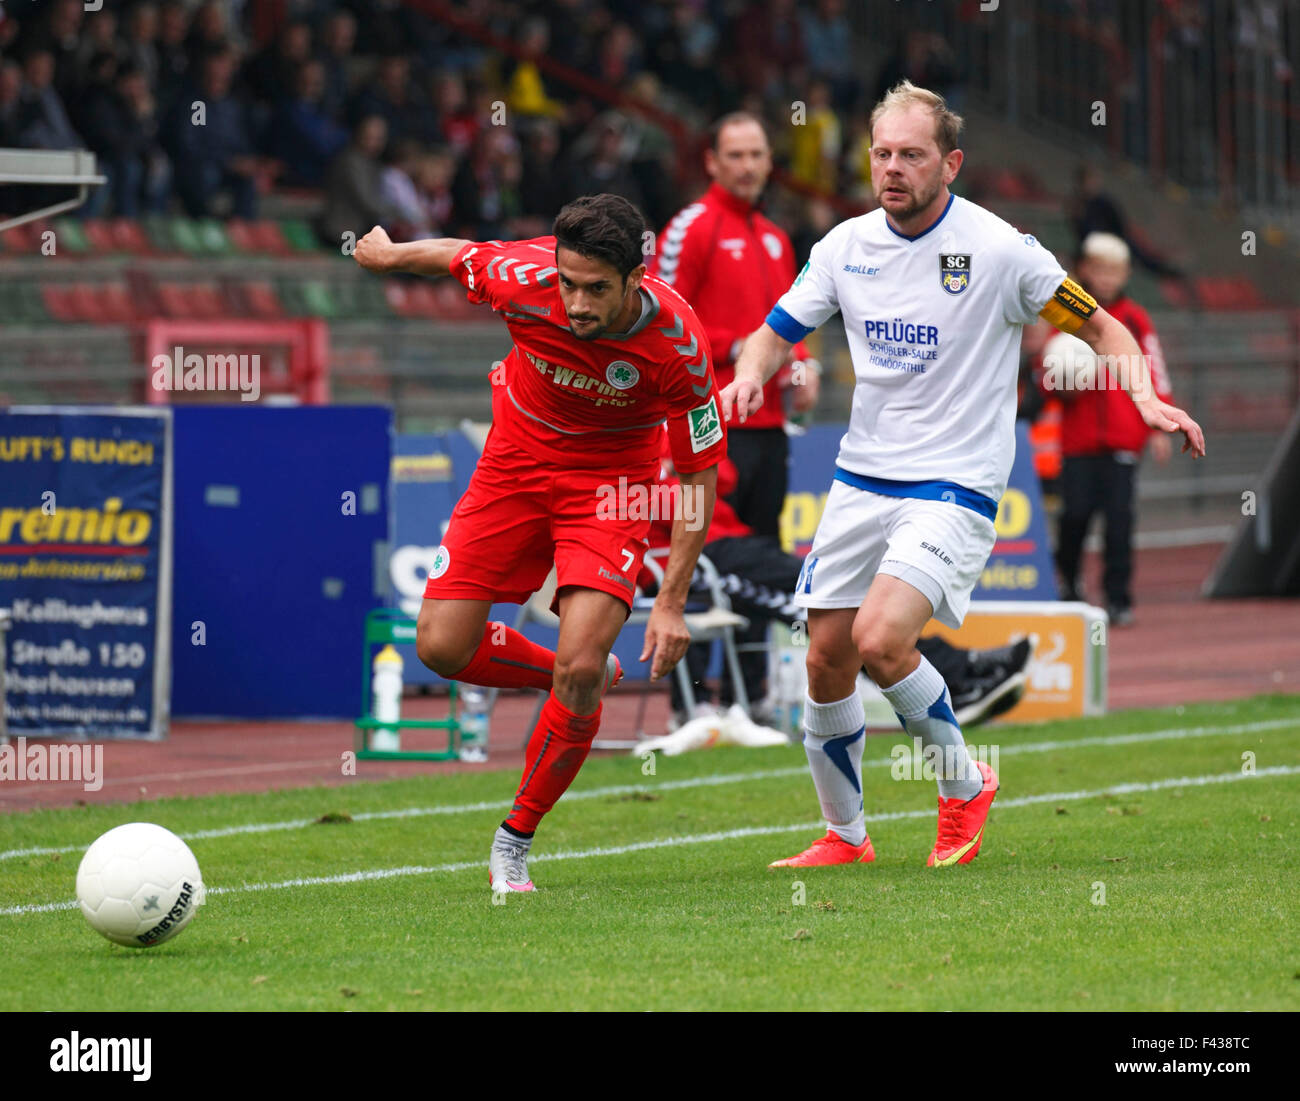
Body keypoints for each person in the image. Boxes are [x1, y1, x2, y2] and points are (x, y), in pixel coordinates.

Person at [721, 81, 1205, 870]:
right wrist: (749, 375)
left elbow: (1105, 327)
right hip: (862, 477)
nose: (892, 168)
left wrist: (1146, 397)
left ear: (950, 163)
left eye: (911, 155)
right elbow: (774, 333)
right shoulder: (844, 246)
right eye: (882, 153)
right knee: (826, 655)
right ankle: (846, 835)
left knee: (881, 639)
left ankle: (964, 784)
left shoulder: (1002, 250)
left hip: (953, 483)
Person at [352, 194, 727, 895]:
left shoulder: (678, 343)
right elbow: (456, 254)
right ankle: (573, 675)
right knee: (440, 646)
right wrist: (389, 254)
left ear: (636, 278)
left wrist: (672, 602)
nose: (577, 303)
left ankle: (514, 840)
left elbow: (698, 476)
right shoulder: (522, 278)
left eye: (596, 289)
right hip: (513, 466)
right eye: (568, 283)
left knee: (579, 670)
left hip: (610, 488)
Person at [643, 440, 1034, 730]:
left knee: (845, 604)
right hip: (695, 560)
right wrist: (675, 475)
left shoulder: (668, 429)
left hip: (731, 545)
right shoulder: (631, 445)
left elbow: (721, 476)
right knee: (834, 617)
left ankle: (956, 672)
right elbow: (670, 505)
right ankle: (956, 675)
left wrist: (675, 470)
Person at [649, 111, 820, 711]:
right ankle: (691, 705)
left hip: (769, 429)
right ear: (712, 162)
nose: (748, 166)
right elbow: (660, 318)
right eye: (736, 155)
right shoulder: (690, 228)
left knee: (760, 559)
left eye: (757, 155)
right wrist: (734, 348)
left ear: (770, 162)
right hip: (708, 426)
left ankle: (753, 699)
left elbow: (790, 324)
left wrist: (800, 366)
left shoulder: (776, 237)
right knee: (696, 558)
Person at [1050, 232, 1174, 625]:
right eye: (1099, 269)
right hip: (1077, 443)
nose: (1106, 278)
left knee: (1119, 522)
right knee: (1074, 517)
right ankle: (1069, 585)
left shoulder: (1135, 318)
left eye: (1114, 271)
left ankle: (1118, 599)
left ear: (1126, 274)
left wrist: (1160, 425)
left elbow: (1154, 369)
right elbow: (1047, 370)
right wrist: (1059, 384)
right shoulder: (1068, 311)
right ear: (1085, 270)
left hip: (1123, 440)